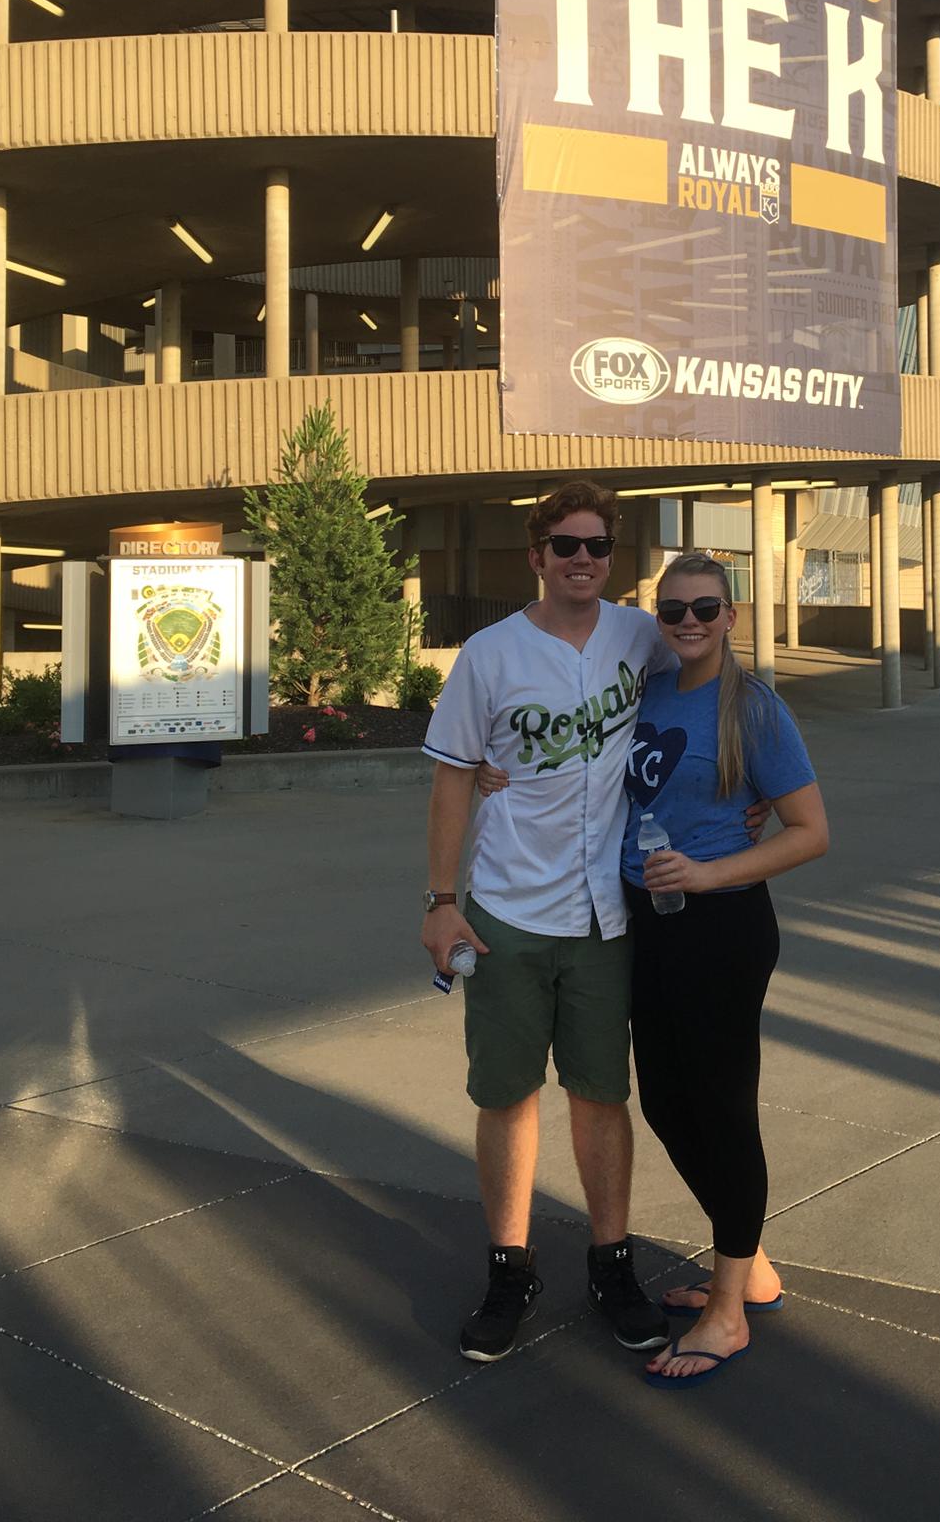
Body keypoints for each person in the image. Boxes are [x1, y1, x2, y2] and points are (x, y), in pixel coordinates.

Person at [420, 479, 674, 1363]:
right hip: (507, 910)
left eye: (597, 546)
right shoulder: (489, 655)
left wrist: (742, 799)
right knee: (506, 1095)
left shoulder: (641, 637)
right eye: (564, 545)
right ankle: (509, 1267)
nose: (581, 560)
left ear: (614, 556)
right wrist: (441, 902)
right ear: (535, 556)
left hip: (606, 912)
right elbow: (454, 774)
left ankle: (612, 1264)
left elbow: (707, 693)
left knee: (603, 1096)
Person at [624, 552, 828, 1389]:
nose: (689, 622)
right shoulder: (648, 691)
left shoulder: (755, 709)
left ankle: (730, 1312)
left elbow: (810, 830)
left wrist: (709, 873)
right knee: (669, 1104)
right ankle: (751, 1267)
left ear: (731, 615)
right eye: (673, 610)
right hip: (646, 922)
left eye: (705, 608)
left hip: (722, 924)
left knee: (722, 1105)